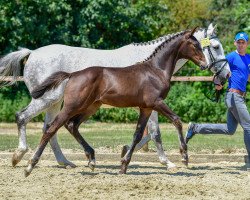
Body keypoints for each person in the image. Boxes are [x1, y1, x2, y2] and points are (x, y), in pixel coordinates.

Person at [185, 31, 250, 170]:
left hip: (240, 97)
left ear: (247, 44)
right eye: (238, 42)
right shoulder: (231, 57)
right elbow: (219, 70)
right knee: (248, 126)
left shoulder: (248, 58)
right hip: (233, 96)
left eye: (243, 42)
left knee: (229, 130)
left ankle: (195, 128)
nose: (240, 44)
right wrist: (217, 82)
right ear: (235, 43)